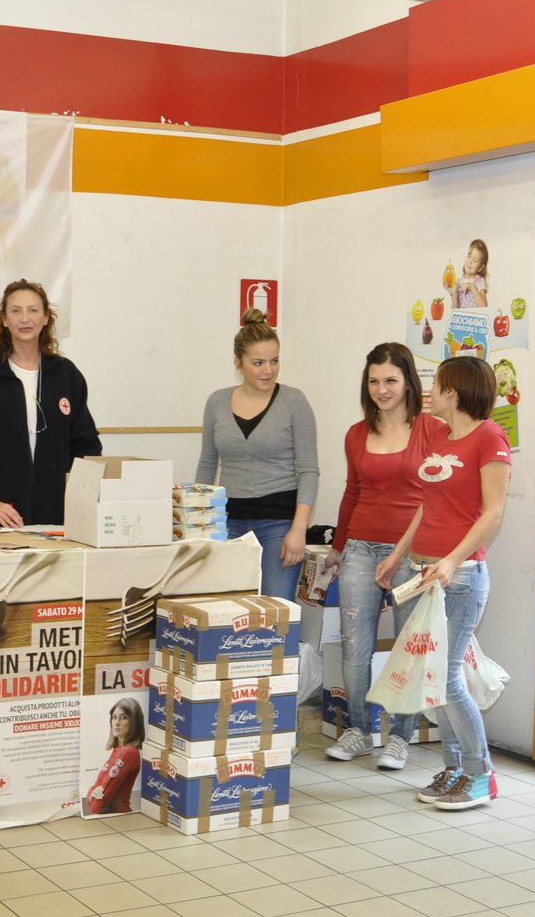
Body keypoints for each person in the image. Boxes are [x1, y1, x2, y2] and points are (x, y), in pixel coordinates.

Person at [378, 355, 511, 810]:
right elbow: (427, 506)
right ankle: (454, 768)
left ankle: (480, 774)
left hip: (462, 579)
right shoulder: (440, 436)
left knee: (448, 679)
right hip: (425, 575)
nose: (429, 392)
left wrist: (453, 560)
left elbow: (492, 513)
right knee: (434, 679)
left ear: (454, 391)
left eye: (437, 384)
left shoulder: (489, 437)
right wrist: (398, 553)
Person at [324, 343, 435, 770]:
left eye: (390, 380)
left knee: (408, 647)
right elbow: (352, 493)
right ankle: (357, 730)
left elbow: (437, 495)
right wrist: (337, 549)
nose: (382, 390)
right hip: (360, 549)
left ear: (408, 381)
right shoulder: (356, 433)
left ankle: (401, 738)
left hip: (412, 552)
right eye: (373, 381)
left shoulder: (429, 430)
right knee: (356, 647)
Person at [0, 279, 101, 527]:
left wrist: (78, 504)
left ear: (45, 318)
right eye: (16, 310)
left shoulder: (66, 375)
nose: (25, 318)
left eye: (33, 310)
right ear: (5, 320)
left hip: (57, 517)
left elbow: (86, 447)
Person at [194, 308, 318, 599]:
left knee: (276, 610)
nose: (268, 370)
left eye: (275, 361)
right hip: (229, 521)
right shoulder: (217, 402)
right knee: (227, 607)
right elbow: (207, 463)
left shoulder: (294, 402)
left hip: (278, 523)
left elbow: (309, 470)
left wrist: (299, 529)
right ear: (239, 363)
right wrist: (200, 522)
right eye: (258, 362)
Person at [86, 697, 145, 814]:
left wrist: (92, 796)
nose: (117, 722)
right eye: (114, 717)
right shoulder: (118, 750)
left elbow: (98, 806)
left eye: (123, 717)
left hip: (117, 819)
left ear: (133, 722)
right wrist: (92, 793)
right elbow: (95, 787)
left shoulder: (127, 753)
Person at [451, 239, 489, 309]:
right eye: (469, 256)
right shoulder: (458, 282)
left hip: (476, 319)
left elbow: (484, 307)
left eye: (475, 260)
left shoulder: (480, 281)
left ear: (480, 267)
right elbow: (454, 312)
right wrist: (454, 294)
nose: (470, 261)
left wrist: (471, 286)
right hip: (462, 319)